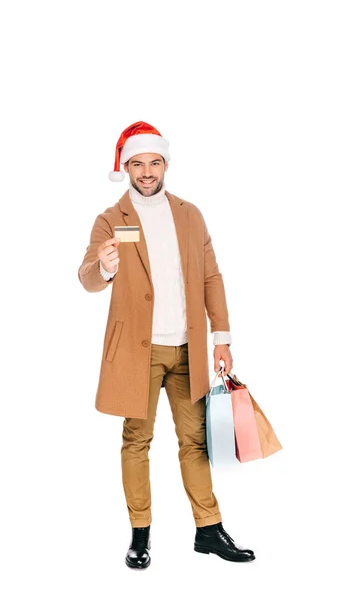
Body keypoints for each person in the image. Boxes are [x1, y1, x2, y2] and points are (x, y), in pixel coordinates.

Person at [78, 121, 255, 569]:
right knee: (137, 441)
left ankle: (208, 530)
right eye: (137, 163)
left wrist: (222, 336)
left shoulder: (191, 214)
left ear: (165, 164)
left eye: (154, 162)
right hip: (139, 352)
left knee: (194, 442)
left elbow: (211, 276)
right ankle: (140, 535)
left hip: (187, 348)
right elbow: (86, 279)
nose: (146, 171)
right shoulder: (109, 219)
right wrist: (104, 267)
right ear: (126, 167)